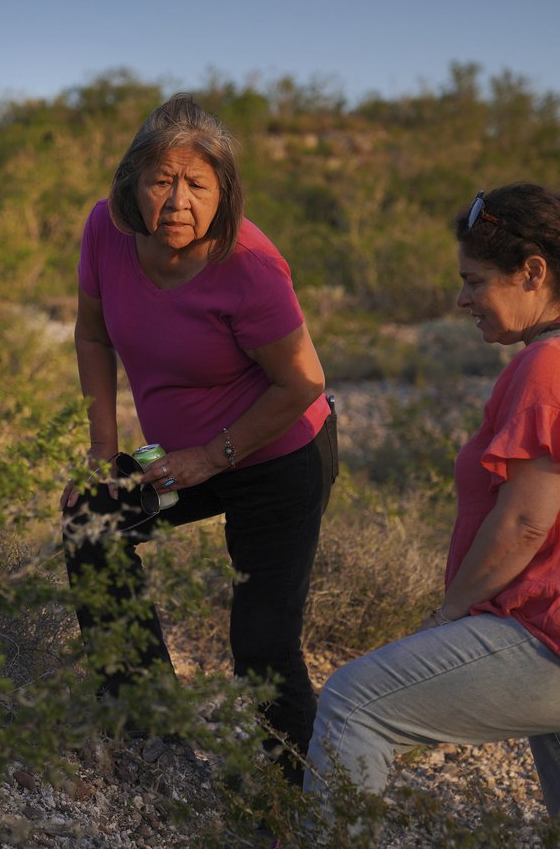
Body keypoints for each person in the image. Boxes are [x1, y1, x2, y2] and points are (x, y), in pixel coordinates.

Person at [304, 183, 560, 847]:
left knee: (354, 704)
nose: (461, 300)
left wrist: (450, 612)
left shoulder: (557, 361)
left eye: (473, 281)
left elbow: (523, 524)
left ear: (533, 272)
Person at [60, 93, 338, 786]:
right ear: (132, 183)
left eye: (198, 185)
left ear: (225, 193)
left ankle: (292, 803)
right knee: (93, 519)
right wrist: (102, 453)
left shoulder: (250, 265)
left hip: (278, 456)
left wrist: (209, 458)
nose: (178, 201)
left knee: (263, 645)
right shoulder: (104, 230)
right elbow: (92, 334)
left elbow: (303, 382)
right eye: (162, 180)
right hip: (178, 458)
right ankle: (147, 730)